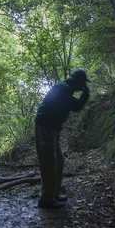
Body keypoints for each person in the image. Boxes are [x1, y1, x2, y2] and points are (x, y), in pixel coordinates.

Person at [34, 69, 91, 209]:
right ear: (77, 80)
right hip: (45, 126)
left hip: (53, 128)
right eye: (83, 83)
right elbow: (76, 107)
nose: (83, 85)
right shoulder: (63, 89)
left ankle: (54, 193)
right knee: (48, 161)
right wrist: (85, 95)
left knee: (59, 159)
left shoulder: (65, 89)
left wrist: (84, 94)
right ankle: (46, 199)